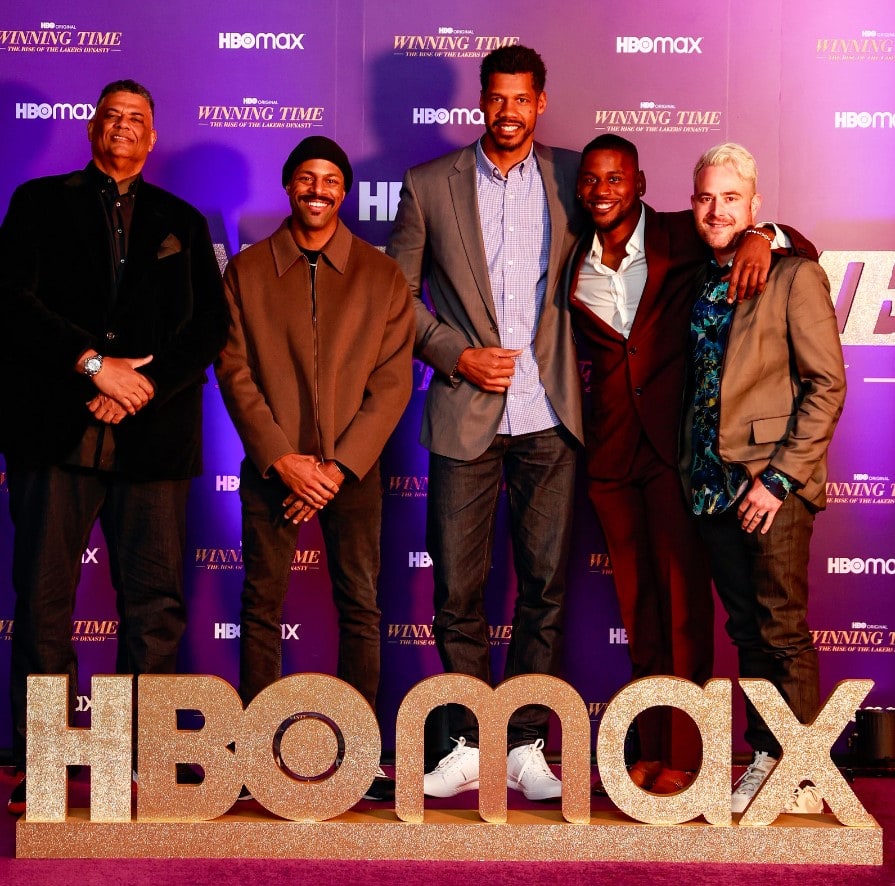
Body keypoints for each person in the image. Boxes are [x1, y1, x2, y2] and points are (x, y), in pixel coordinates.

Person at [0, 79, 229, 815]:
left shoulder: (182, 221)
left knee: (155, 607)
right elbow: (11, 301)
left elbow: (208, 329)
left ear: (152, 137)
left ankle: (144, 764)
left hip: (152, 442)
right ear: (92, 127)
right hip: (54, 432)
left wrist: (139, 386)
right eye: (112, 116)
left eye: (137, 119)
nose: (123, 127)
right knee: (43, 605)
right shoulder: (38, 203)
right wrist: (93, 366)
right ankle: (44, 770)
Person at [564, 134, 817, 793]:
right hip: (622, 457)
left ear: (641, 184)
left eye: (616, 177)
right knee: (642, 613)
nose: (603, 190)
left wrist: (765, 234)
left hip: (688, 461)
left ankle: (700, 758)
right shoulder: (568, 255)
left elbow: (794, 246)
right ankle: (650, 750)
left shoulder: (683, 233)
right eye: (591, 179)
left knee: (697, 615)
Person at [386, 45, 584, 801]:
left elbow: (653, 243)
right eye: (496, 98)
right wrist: (455, 354)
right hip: (464, 410)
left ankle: (525, 745)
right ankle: (467, 743)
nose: (508, 112)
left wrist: (769, 236)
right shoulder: (428, 183)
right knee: (457, 591)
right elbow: (397, 297)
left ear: (540, 103)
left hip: (549, 413)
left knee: (545, 590)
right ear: (481, 101)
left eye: (521, 99)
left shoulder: (575, 177)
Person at [215, 136, 414, 802]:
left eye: (330, 179)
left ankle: (359, 759)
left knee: (360, 606)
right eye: (306, 177)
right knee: (260, 605)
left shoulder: (382, 276)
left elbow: (392, 383)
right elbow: (234, 371)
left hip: (351, 474)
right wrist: (283, 460)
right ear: (288, 186)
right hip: (273, 469)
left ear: (344, 191)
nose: (317, 189)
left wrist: (335, 468)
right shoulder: (246, 272)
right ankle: (254, 756)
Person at [681, 143, 845, 814]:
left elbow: (826, 386)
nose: (716, 210)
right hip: (708, 485)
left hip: (769, 484)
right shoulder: (697, 274)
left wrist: (778, 480)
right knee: (747, 632)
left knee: (781, 630)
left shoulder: (793, 274)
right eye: (705, 197)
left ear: (754, 206)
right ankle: (767, 757)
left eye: (730, 198)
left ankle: (801, 777)